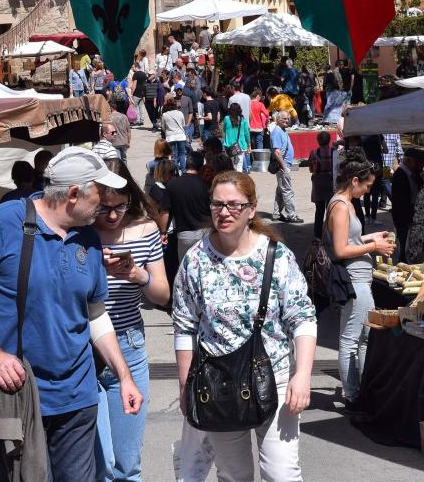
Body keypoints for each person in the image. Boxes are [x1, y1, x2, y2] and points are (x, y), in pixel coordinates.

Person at [0, 147, 143, 481]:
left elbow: (94, 313)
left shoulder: (87, 238)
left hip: (78, 396)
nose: (105, 202)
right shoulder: (5, 222)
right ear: (75, 194)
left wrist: (124, 376)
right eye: (99, 193)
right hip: (19, 395)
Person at [173, 171, 317, 482]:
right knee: (234, 475)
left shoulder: (276, 256)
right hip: (218, 381)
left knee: (282, 474)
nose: (224, 212)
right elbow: (184, 326)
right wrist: (186, 387)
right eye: (217, 204)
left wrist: (302, 375)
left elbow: (303, 317)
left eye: (234, 205)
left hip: (275, 377)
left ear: (251, 209)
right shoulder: (195, 260)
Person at [93, 160, 170, 482]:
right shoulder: (77, 232)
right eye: (103, 207)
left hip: (128, 345)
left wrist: (138, 274)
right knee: (100, 463)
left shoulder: (146, 228)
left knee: (126, 464)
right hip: (82, 351)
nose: (112, 215)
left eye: (119, 206)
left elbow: (162, 295)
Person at [323, 149, 394, 408]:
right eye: (367, 185)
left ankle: (361, 390)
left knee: (363, 337)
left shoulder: (344, 204)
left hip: (359, 278)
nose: (367, 191)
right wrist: (374, 248)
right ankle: (353, 395)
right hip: (354, 280)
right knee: (352, 340)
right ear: (354, 180)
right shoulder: (341, 206)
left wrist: (370, 238)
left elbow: (347, 241)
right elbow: (341, 250)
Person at [165, 150, 211, 262]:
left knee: (185, 267)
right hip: (207, 233)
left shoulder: (173, 184)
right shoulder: (207, 184)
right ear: (201, 166)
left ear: (186, 164)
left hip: (185, 235)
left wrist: (163, 231)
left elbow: (164, 212)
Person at [390, 147, 424, 259]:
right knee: (404, 247)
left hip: (410, 217)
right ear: (409, 161)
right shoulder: (400, 176)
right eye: (419, 163)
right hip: (404, 219)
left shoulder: (415, 174)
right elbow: (401, 203)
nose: (421, 166)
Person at [271, 110, 303, 224]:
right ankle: (291, 215)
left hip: (284, 166)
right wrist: (284, 167)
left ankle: (276, 213)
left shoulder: (282, 130)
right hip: (282, 166)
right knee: (288, 191)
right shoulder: (277, 132)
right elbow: (277, 151)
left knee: (281, 191)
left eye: (288, 118)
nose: (286, 120)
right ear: (278, 120)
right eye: (284, 119)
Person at [308, 131, 333, 238]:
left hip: (318, 183)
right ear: (329, 140)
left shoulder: (313, 153)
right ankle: (332, 234)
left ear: (318, 141)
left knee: (319, 211)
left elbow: (310, 169)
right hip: (331, 182)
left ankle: (317, 236)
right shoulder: (335, 152)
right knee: (331, 210)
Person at [360, 134, 386, 227]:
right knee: (375, 194)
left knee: (366, 192)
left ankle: (367, 217)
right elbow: (386, 150)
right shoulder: (379, 136)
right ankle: (373, 218)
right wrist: (378, 150)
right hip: (377, 167)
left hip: (366, 167)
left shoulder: (362, 136)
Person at [161, 98, 188, 172]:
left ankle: (174, 172)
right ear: (175, 105)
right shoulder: (180, 113)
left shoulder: (165, 115)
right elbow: (183, 124)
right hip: (180, 136)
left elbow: (163, 127)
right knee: (182, 154)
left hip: (170, 137)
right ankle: (183, 171)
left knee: (173, 155)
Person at [222, 102, 251, 173]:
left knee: (230, 165)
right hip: (240, 145)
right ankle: (238, 181)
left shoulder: (226, 118)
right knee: (239, 165)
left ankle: (231, 180)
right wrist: (249, 144)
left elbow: (223, 130)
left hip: (229, 145)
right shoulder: (243, 120)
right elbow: (246, 133)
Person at [379, 132, 403, 208]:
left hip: (379, 162)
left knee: (385, 182)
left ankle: (397, 203)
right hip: (388, 164)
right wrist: (401, 162)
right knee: (386, 181)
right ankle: (383, 202)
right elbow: (399, 149)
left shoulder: (380, 131)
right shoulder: (395, 132)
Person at [130, 62, 148, 127]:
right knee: (141, 107)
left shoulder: (135, 74)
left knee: (135, 107)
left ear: (136, 67)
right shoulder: (144, 74)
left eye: (133, 67)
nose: (132, 69)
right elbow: (145, 83)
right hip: (142, 93)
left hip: (137, 92)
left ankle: (136, 121)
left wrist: (131, 93)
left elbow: (134, 84)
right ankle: (142, 121)